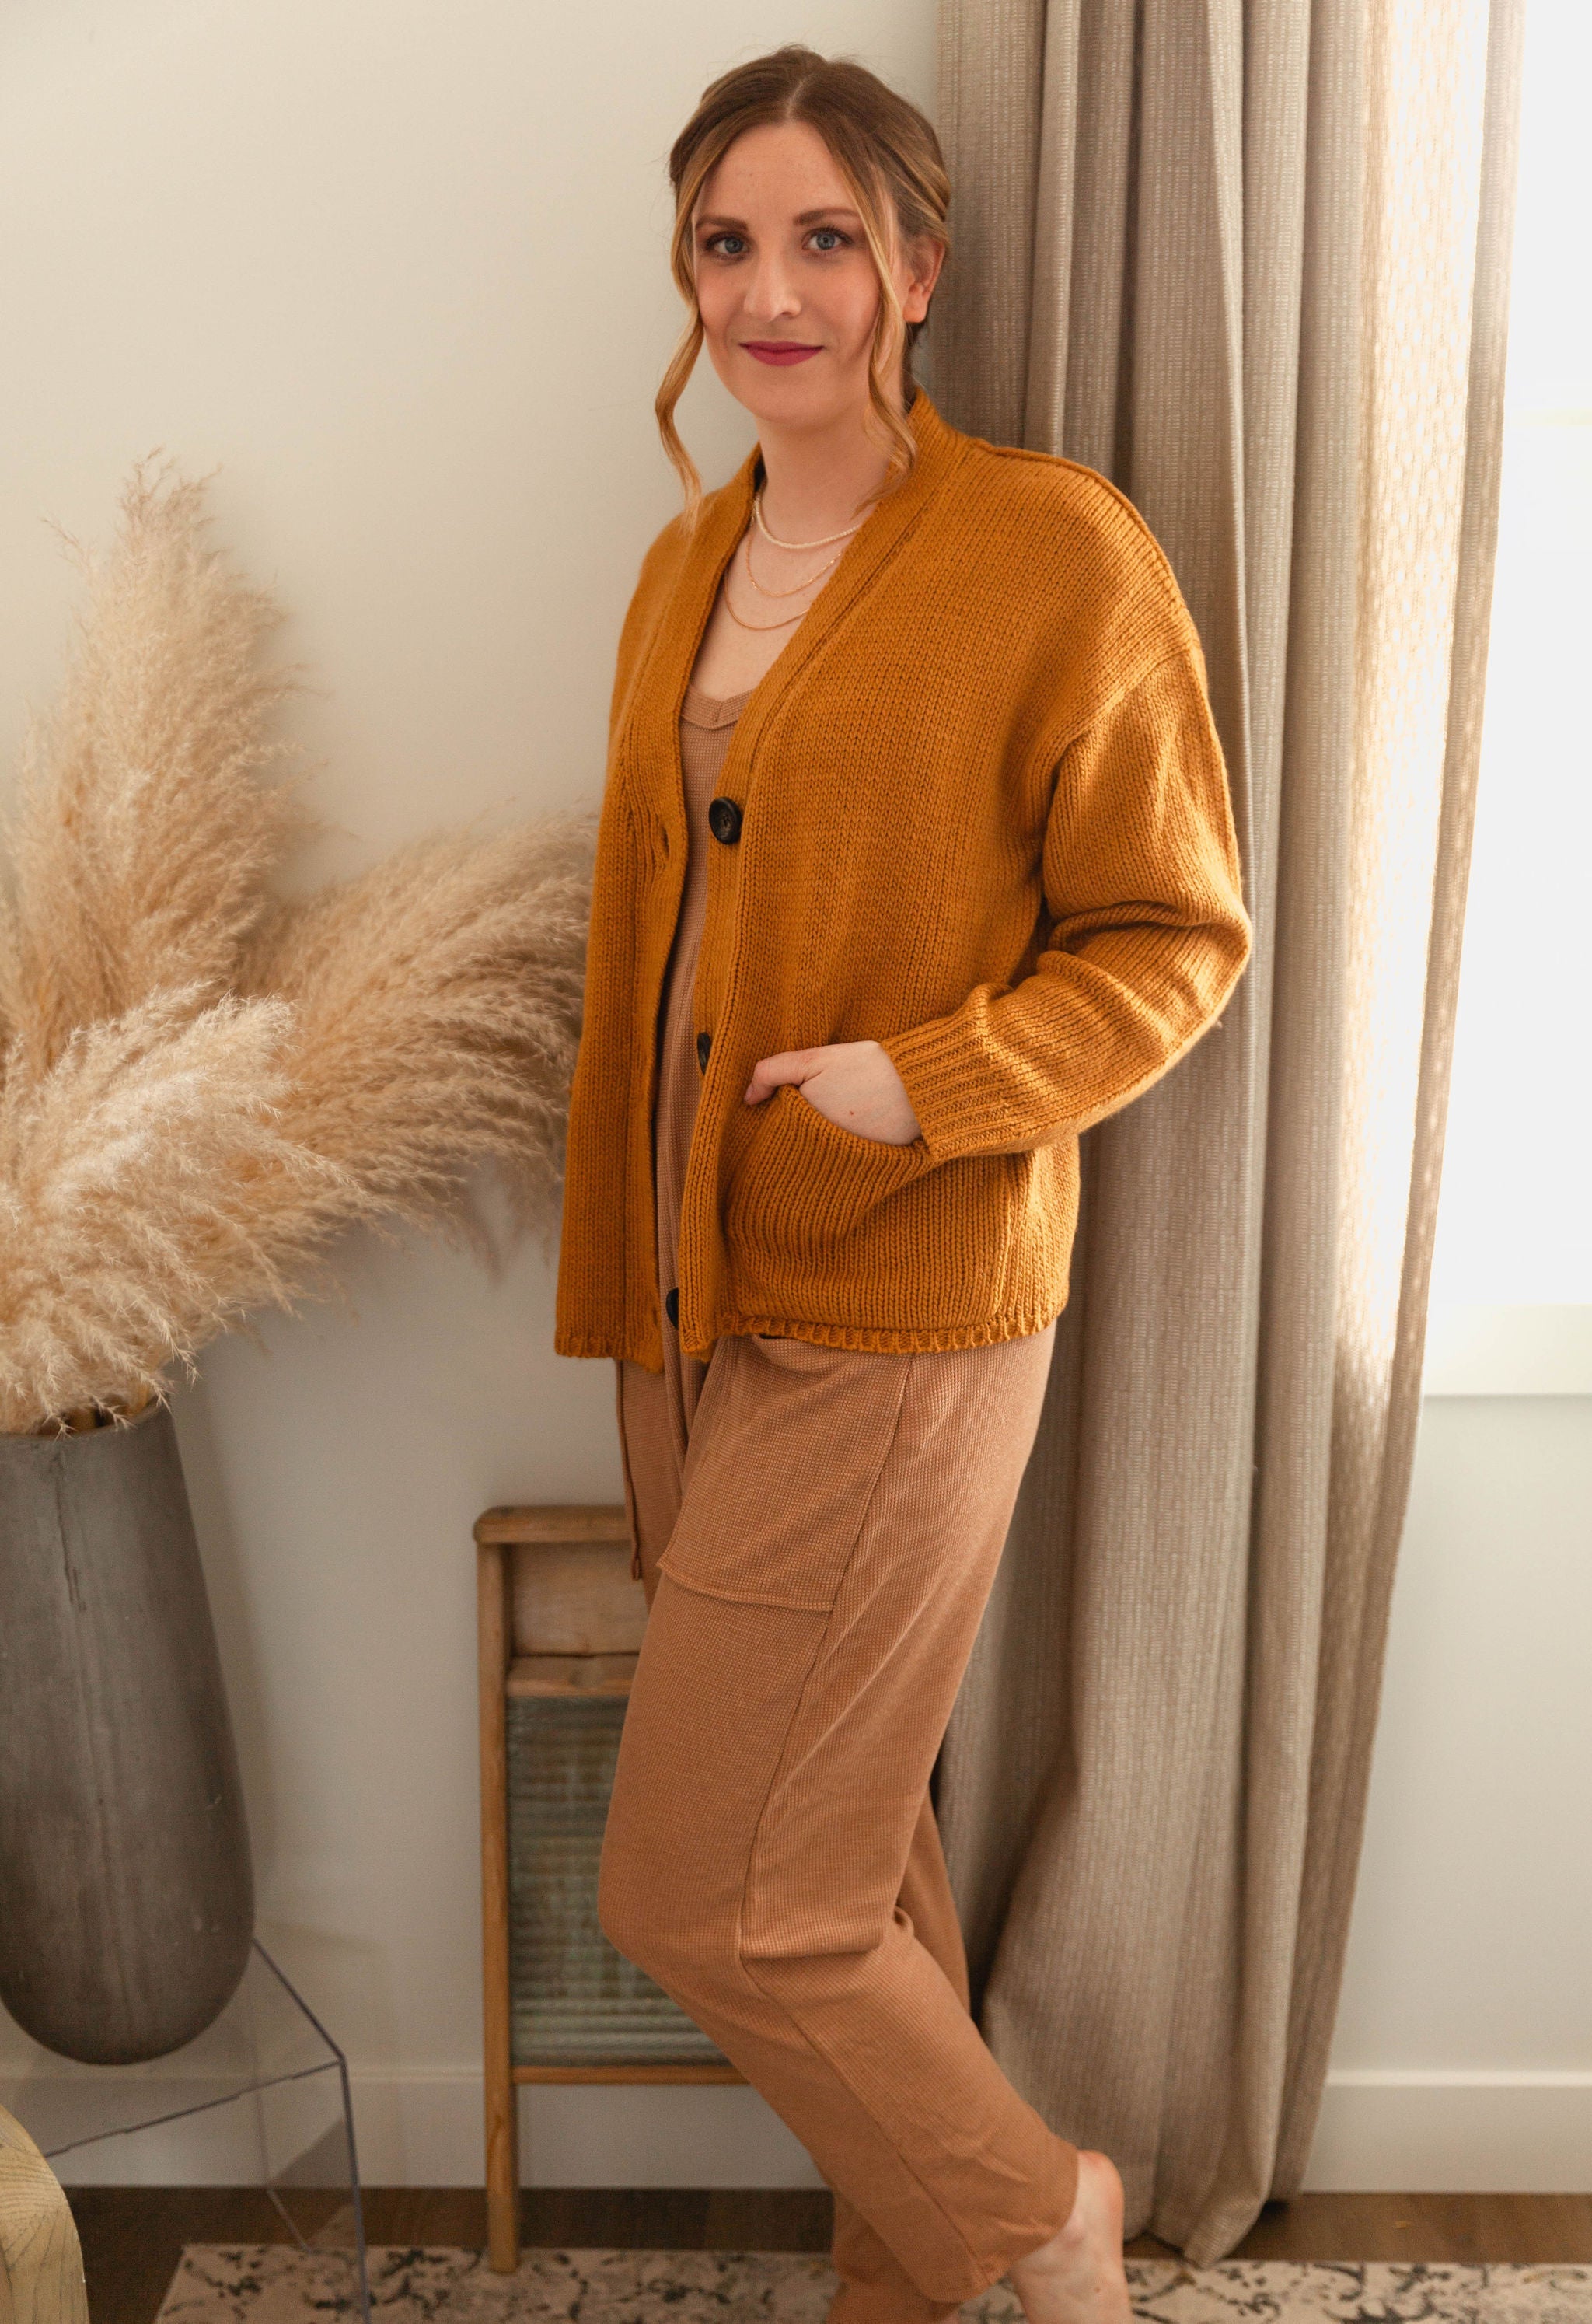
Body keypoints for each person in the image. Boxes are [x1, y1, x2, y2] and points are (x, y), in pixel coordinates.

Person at [554, 43, 1252, 2324]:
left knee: (711, 1895)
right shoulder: (686, 565)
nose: (771, 292)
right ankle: (910, 2285)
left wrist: (918, 1085)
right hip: (694, 1307)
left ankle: (1045, 2220)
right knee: (841, 1865)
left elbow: (1177, 937)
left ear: (917, 270)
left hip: (906, 1297)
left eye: (824, 239)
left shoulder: (1050, 550)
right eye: (727, 243)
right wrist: (630, 1276)